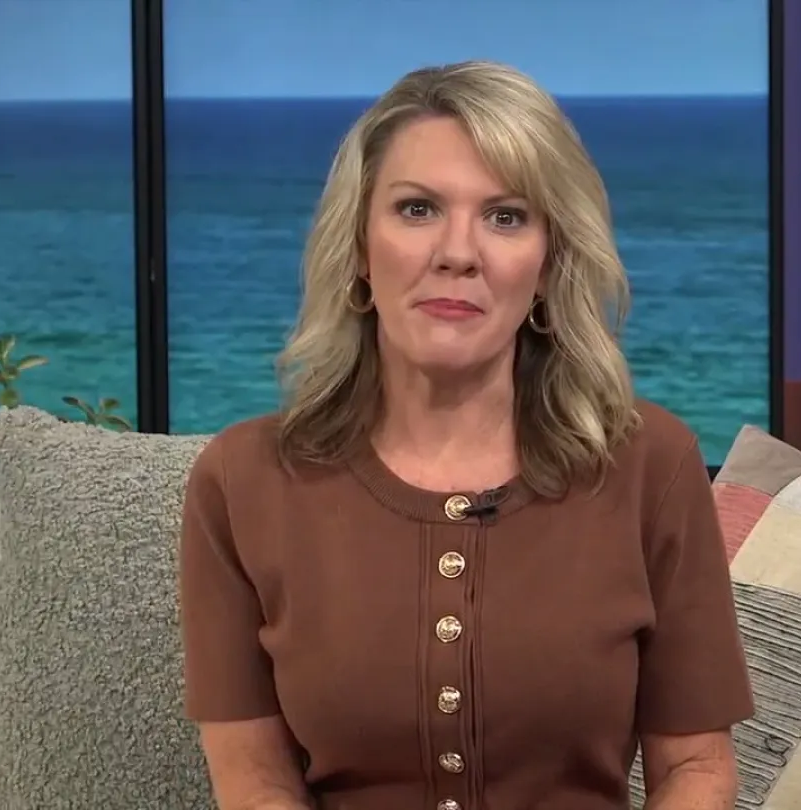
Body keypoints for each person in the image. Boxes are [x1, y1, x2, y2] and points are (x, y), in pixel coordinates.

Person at [178, 60, 754, 810]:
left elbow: (696, 771)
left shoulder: (652, 467)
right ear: (359, 248)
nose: (458, 252)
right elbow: (255, 784)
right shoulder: (241, 482)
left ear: (547, 266)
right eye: (417, 209)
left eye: (506, 217)